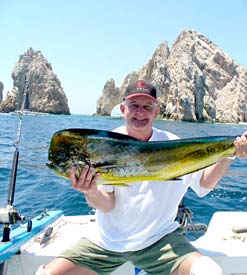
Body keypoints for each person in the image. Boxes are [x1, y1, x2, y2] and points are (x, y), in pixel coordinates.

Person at [36, 80, 247, 275]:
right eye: (134, 105)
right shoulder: (104, 148)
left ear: (156, 112)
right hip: (107, 243)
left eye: (147, 107)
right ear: (122, 109)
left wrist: (231, 154)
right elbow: (108, 205)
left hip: (160, 240)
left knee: (210, 272)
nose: (140, 112)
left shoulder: (174, 145)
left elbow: (204, 184)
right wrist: (90, 190)